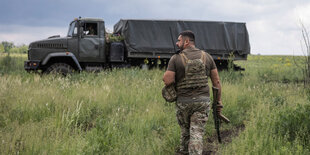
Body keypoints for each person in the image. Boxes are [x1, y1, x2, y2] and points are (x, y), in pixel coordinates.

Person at [163, 30, 223, 155]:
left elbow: (167, 80)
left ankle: (184, 152)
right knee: (196, 133)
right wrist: (218, 102)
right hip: (202, 102)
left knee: (185, 132)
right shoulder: (207, 57)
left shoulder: (175, 58)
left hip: (183, 102)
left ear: (186, 41)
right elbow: (216, 82)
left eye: (179, 40)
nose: (176, 43)